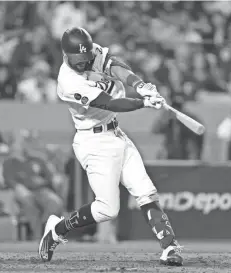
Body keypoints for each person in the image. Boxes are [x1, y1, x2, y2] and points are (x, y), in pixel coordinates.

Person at [38, 27, 183, 266]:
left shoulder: (90, 53)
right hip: (93, 143)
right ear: (67, 55)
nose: (86, 62)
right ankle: (56, 230)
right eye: (80, 59)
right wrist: (143, 102)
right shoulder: (68, 81)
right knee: (107, 209)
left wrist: (139, 84)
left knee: (146, 190)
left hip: (116, 134)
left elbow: (114, 65)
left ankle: (169, 247)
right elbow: (110, 103)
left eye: (87, 58)